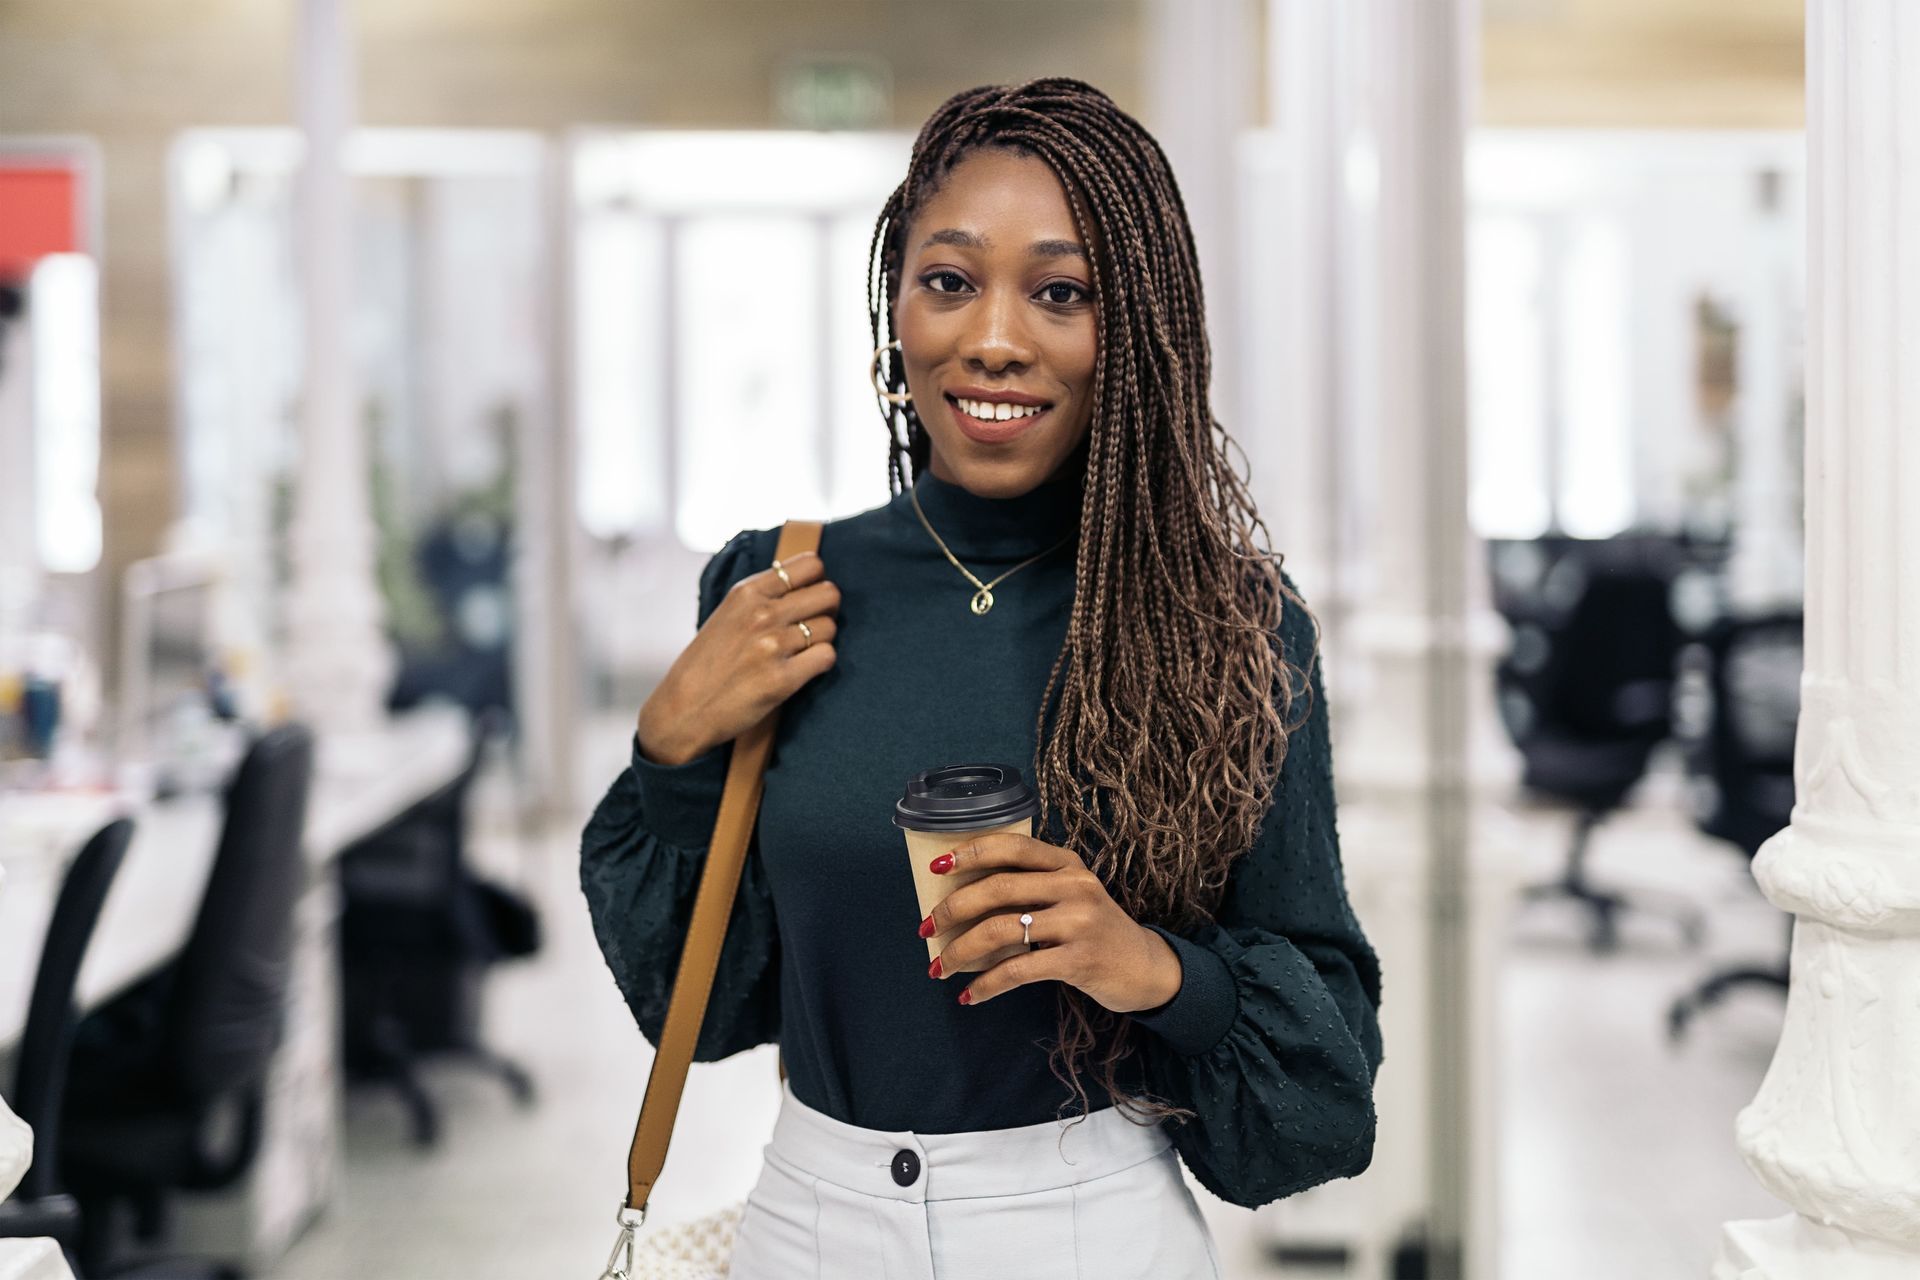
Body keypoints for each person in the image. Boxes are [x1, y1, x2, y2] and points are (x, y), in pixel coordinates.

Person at [581, 77, 1384, 1278]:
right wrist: (670, 750)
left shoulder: (1236, 627)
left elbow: (1325, 1094)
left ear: (1136, 334)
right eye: (949, 279)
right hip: (812, 1223)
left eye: (1061, 293)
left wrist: (1153, 965)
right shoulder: (781, 587)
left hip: (1094, 1225)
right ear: (895, 307)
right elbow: (704, 1001)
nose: (994, 337)